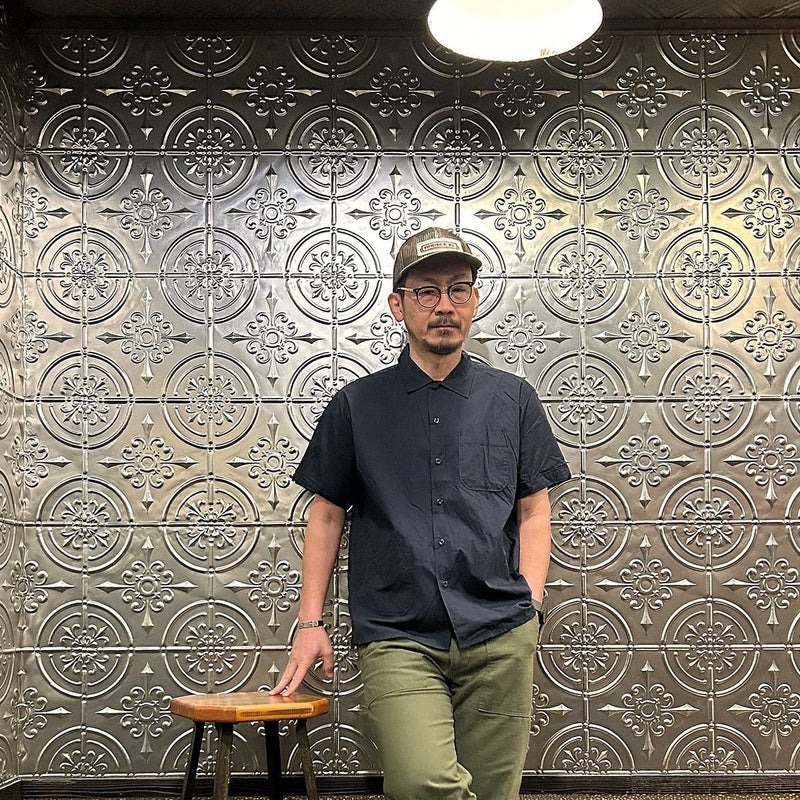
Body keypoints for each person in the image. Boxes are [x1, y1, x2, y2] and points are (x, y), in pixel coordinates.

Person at [271, 226, 571, 800]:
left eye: (458, 289)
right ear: (398, 305)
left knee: (494, 793)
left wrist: (530, 606)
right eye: (426, 291)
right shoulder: (357, 405)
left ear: (475, 301)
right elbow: (326, 516)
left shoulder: (512, 399)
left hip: (499, 629)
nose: (444, 306)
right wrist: (310, 625)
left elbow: (534, 510)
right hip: (397, 632)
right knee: (422, 784)